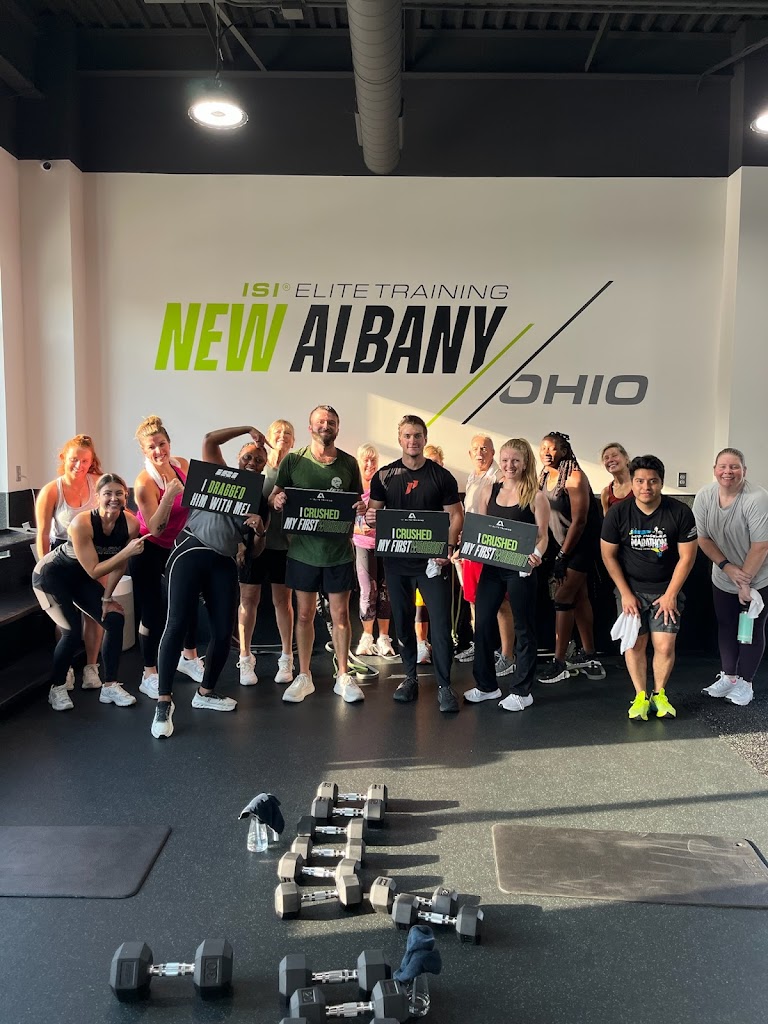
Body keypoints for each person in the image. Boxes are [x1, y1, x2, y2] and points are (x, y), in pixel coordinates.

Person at [150, 425, 268, 739]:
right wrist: (248, 429)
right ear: (238, 458)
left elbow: (255, 551)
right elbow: (209, 440)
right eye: (248, 456)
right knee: (176, 623)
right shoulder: (220, 474)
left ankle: (205, 693)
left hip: (223, 561)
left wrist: (260, 531)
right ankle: (163, 702)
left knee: (223, 632)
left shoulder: (258, 498)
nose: (252, 462)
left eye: (259, 460)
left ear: (264, 467)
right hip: (191, 550)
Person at [367, 414, 464, 713]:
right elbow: (374, 515)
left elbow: (456, 515)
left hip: (432, 563)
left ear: (425, 438)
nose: (413, 441)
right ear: (400, 439)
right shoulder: (384, 476)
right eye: (407, 436)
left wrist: (447, 548)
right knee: (403, 620)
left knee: (440, 625)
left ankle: (444, 686)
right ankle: (409, 678)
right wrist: (370, 517)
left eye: (417, 436)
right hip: (397, 562)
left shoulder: (441, 476)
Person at [270, 405, 366, 704]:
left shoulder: (349, 463)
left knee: (341, 616)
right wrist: (278, 499)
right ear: (310, 427)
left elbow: (357, 502)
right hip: (303, 553)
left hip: (339, 553)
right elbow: (274, 494)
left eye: (331, 422)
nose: (326, 426)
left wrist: (361, 507)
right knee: (304, 615)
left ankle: (343, 675)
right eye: (321, 422)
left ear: (338, 428)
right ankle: (304, 675)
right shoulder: (294, 460)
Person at [32, 474, 145, 712]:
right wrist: (126, 552)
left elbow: (119, 565)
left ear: (126, 496)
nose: (113, 498)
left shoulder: (130, 523)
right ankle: (57, 687)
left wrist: (107, 598)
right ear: (97, 497)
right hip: (51, 577)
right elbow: (94, 570)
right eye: (107, 493)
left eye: (119, 493)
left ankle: (110, 686)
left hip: (80, 579)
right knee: (71, 632)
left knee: (114, 619)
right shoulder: (81, 523)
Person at [601, 455, 697, 721]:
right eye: (640, 481)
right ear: (632, 482)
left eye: (652, 481)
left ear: (661, 483)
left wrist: (671, 595)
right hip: (631, 590)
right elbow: (608, 556)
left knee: (664, 646)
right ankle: (641, 696)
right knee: (635, 645)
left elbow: (687, 557)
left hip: (666, 590)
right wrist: (625, 594)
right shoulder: (618, 513)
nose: (646, 487)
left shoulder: (680, 512)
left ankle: (659, 695)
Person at [463, 439, 549, 711]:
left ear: (525, 463)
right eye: (505, 460)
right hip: (492, 568)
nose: (509, 465)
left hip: (520, 570)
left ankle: (522, 691)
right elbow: (481, 529)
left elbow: (543, 537)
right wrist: (466, 546)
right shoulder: (489, 489)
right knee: (482, 624)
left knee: (524, 628)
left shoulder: (536, 497)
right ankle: (486, 686)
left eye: (515, 460)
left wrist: (536, 556)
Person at [131, 415, 202, 701]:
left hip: (179, 545)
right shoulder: (143, 483)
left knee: (189, 600)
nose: (159, 451)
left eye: (162, 444)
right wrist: (169, 496)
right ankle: (149, 673)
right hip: (149, 548)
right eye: (152, 447)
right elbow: (156, 527)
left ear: (169, 443)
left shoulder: (182, 465)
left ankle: (189, 657)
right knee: (152, 611)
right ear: (144, 451)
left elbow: (198, 500)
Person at [694, 447, 768, 707]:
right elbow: (703, 538)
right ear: (715, 470)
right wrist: (727, 567)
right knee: (726, 625)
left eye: (734, 466)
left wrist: (745, 582)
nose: (728, 472)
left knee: (750, 628)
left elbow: (761, 546)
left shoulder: (757, 498)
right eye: (723, 466)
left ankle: (746, 684)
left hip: (758, 577)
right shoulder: (704, 496)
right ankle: (729, 677)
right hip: (724, 575)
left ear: (744, 471)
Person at [34, 434, 105, 690]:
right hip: (60, 558)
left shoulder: (98, 484)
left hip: (92, 557)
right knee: (65, 619)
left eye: (85, 461)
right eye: (74, 459)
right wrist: (44, 572)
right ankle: (65, 671)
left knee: (95, 613)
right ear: (64, 458)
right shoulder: (51, 491)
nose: (79, 465)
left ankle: (91, 668)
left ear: (91, 461)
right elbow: (43, 534)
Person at [537, 431, 605, 684]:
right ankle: (589, 653)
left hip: (579, 547)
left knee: (563, 598)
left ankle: (559, 661)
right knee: (579, 596)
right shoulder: (544, 476)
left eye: (552, 448)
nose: (547, 452)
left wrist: (563, 555)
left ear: (564, 451)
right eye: (543, 447)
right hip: (558, 546)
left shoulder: (575, 477)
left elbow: (580, 521)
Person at [236, 419, 296, 687]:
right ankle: (245, 658)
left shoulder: (296, 469)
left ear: (294, 441)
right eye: (278, 432)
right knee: (248, 600)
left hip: (283, 545)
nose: (283, 436)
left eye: (288, 433)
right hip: (252, 546)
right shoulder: (256, 467)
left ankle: (287, 658)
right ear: (268, 438)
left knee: (283, 602)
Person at [455, 434, 516, 678]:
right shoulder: (473, 476)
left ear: (492, 452)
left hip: (490, 548)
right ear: (470, 454)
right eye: (476, 449)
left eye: (484, 449)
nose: (480, 453)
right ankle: (481, 646)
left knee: (500, 603)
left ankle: (508, 655)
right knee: (473, 599)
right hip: (471, 548)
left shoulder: (499, 478)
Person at [352, 443, 395, 658]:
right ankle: (367, 637)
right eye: (365, 460)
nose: (369, 464)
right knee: (368, 591)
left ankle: (384, 638)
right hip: (362, 544)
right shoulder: (353, 487)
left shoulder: (384, 486)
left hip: (385, 545)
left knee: (385, 591)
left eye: (373, 460)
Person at [600, 442, 632, 515]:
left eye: (614, 456)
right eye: (606, 458)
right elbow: (608, 520)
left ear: (626, 459)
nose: (610, 460)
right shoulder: (606, 492)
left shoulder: (640, 484)